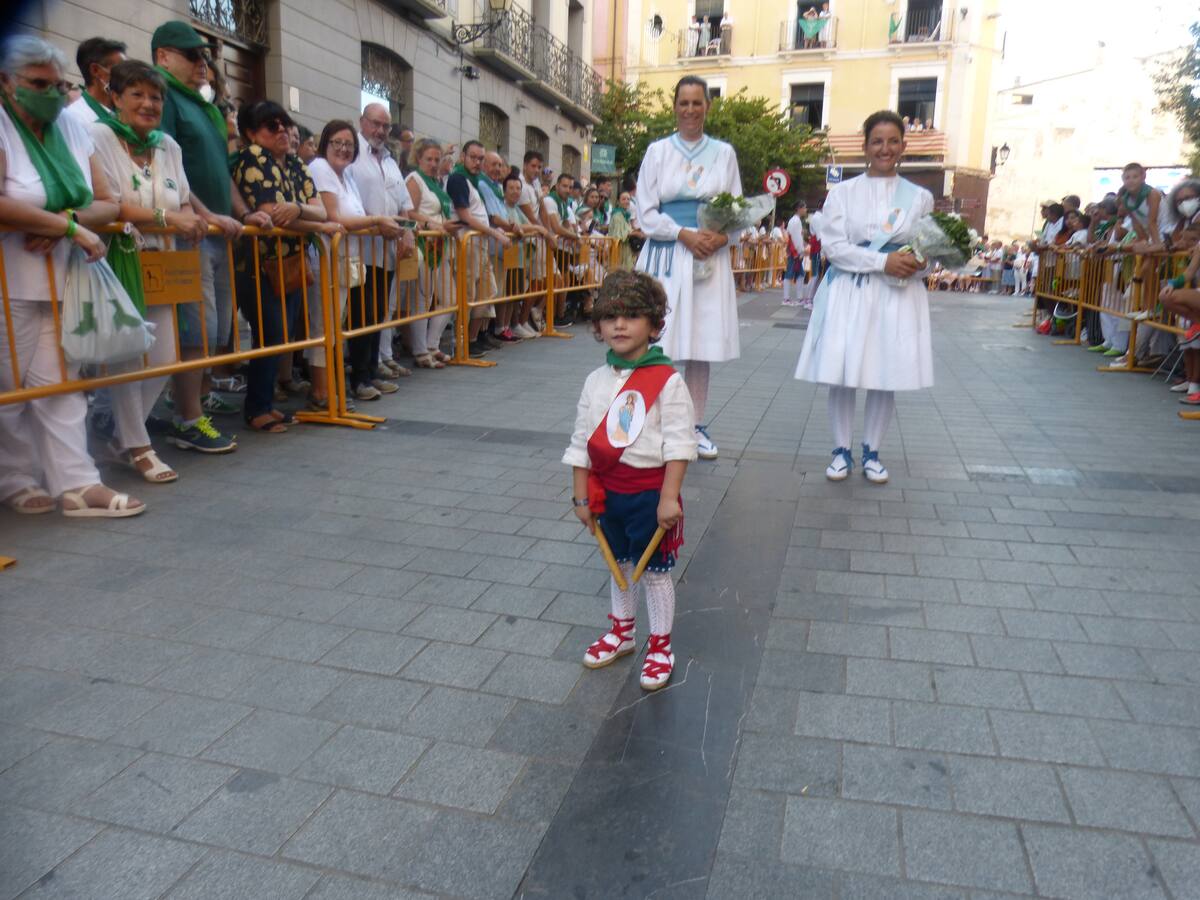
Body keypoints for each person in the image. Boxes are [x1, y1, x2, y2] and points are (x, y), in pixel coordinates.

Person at [0, 34, 145, 517]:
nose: (52, 94)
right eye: (38, 84)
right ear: (6, 81)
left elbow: (107, 202)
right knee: (9, 388)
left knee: (62, 385)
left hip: (62, 280)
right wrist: (64, 226)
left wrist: (68, 221)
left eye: (58, 85)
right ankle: (14, 477)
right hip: (8, 282)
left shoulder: (70, 126)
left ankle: (77, 482)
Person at [563, 270, 697, 691]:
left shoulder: (669, 381)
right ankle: (622, 632)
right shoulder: (594, 381)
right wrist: (580, 497)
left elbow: (679, 444)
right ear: (598, 325)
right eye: (610, 316)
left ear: (654, 326)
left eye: (632, 316)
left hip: (650, 495)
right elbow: (582, 441)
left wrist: (669, 498)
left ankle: (660, 646)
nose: (619, 325)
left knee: (654, 572)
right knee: (618, 565)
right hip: (608, 493)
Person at [794, 109, 934, 485]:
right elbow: (834, 248)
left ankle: (873, 451)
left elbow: (928, 250)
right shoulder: (842, 193)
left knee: (884, 373)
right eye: (877, 141)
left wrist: (920, 265)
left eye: (893, 141)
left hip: (896, 294)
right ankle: (841, 450)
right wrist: (882, 261)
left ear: (903, 146)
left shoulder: (920, 197)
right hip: (850, 290)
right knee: (843, 373)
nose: (885, 149)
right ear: (865, 146)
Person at [90, 59, 213, 484]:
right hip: (117, 259)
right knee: (128, 355)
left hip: (164, 262)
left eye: (156, 97)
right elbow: (111, 204)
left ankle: (120, 438)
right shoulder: (99, 136)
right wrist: (168, 218)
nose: (148, 104)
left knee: (164, 357)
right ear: (115, 97)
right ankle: (138, 446)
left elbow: (183, 199)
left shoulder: (168, 145)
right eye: (137, 94)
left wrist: (192, 219)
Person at [635, 75, 742, 460]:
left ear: (708, 107)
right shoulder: (658, 151)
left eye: (698, 103)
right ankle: (653, 424)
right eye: (684, 103)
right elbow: (645, 213)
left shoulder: (724, 153)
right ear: (674, 106)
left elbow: (737, 210)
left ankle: (694, 426)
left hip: (706, 258)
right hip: (667, 256)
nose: (691, 110)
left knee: (700, 344)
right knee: (657, 341)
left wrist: (722, 237)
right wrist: (682, 233)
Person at [153, 20, 245, 453]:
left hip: (217, 232)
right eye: (192, 55)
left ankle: (198, 400)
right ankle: (187, 418)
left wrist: (242, 213)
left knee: (218, 326)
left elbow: (221, 172)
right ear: (163, 57)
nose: (202, 63)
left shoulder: (205, 107)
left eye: (205, 56)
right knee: (197, 329)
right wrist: (204, 215)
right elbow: (169, 169)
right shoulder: (166, 98)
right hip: (191, 233)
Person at [231, 99, 335, 431]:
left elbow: (319, 209)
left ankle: (265, 403)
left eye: (284, 124)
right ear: (252, 133)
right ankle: (256, 408)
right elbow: (271, 213)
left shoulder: (295, 163)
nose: (282, 131)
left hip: (291, 261)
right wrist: (312, 220)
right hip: (258, 263)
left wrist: (299, 210)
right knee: (270, 333)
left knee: (282, 335)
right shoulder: (251, 158)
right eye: (271, 126)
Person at [308, 118, 402, 406]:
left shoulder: (346, 175)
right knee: (324, 327)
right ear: (325, 143)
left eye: (349, 144)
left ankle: (332, 387)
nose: (344, 149)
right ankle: (321, 393)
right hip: (326, 257)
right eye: (337, 142)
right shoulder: (320, 168)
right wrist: (377, 220)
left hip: (347, 258)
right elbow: (334, 217)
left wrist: (379, 222)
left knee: (337, 326)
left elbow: (355, 216)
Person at [349, 103, 415, 385]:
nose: (380, 130)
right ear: (362, 122)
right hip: (360, 250)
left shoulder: (390, 161)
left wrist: (407, 233)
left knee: (378, 313)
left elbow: (404, 204)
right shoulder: (353, 155)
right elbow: (349, 200)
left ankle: (372, 370)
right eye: (375, 123)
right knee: (361, 315)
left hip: (386, 252)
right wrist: (377, 225)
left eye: (385, 126)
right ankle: (360, 376)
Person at [448, 140, 510, 356]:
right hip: (467, 244)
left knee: (488, 291)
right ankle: (460, 343)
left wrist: (494, 231)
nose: (477, 162)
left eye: (480, 158)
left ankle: (471, 339)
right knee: (468, 295)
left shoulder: (476, 181)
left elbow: (481, 214)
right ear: (463, 156)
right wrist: (494, 233)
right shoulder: (458, 178)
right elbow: (465, 216)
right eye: (473, 157)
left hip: (480, 245)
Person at [404, 138, 457, 368]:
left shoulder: (436, 182)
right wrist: (430, 224)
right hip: (424, 245)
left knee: (450, 298)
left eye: (437, 159)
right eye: (429, 159)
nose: (434, 164)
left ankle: (432, 344)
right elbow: (408, 212)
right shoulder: (414, 179)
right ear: (418, 158)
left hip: (440, 246)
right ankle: (420, 350)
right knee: (422, 299)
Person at [66, 37, 125, 126]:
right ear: (95, 70)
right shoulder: (75, 118)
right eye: (120, 69)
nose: (127, 76)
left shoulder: (127, 112)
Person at [782, 199, 808, 306]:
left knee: (799, 274)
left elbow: (795, 237)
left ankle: (797, 298)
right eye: (804, 207)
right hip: (794, 251)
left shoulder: (794, 220)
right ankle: (787, 298)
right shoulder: (796, 221)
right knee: (790, 274)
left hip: (794, 250)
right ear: (799, 209)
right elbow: (796, 238)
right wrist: (801, 250)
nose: (805, 210)